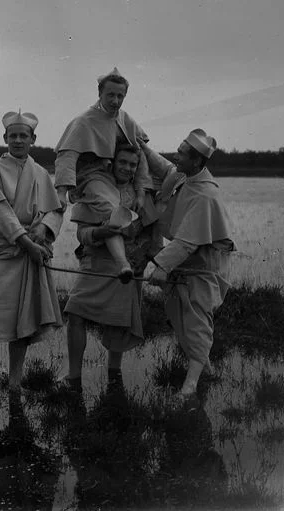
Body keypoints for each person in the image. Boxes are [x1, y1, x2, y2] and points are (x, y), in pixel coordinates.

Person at [0, 110, 64, 396]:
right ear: (5, 138)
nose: (18, 140)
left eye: (24, 136)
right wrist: (26, 243)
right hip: (4, 253)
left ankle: (15, 384)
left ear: (33, 139)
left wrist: (42, 233)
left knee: (23, 325)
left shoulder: (41, 173)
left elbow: (56, 210)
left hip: (32, 254)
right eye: (13, 136)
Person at [143, 129, 235, 397]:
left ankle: (190, 386)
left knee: (196, 320)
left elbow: (188, 241)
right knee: (177, 316)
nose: (176, 155)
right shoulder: (184, 176)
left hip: (206, 264)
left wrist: (160, 268)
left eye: (182, 153)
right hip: (185, 261)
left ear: (197, 161)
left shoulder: (206, 194)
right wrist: (142, 146)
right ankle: (204, 370)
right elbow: (164, 164)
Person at [63, 143, 162, 388]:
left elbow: (154, 240)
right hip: (96, 262)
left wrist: (160, 264)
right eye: (122, 162)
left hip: (128, 268)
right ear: (111, 162)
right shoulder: (96, 189)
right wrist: (100, 232)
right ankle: (73, 376)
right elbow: (81, 234)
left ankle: (114, 376)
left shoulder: (143, 197)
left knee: (119, 324)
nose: (127, 168)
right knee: (75, 313)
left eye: (132, 164)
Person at [54, 67, 153, 280]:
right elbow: (66, 157)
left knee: (151, 209)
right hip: (92, 176)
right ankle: (122, 264)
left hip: (119, 177)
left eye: (120, 96)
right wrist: (62, 192)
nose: (115, 101)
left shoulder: (125, 119)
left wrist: (142, 192)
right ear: (100, 94)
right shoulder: (84, 121)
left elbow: (141, 154)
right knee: (112, 210)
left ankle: (151, 259)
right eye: (110, 95)